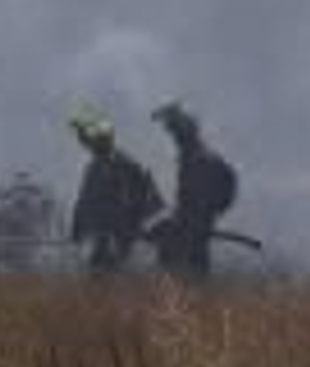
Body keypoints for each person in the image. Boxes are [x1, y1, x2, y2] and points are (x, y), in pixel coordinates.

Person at [150, 102, 239, 279]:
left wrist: (178, 226)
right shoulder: (196, 158)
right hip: (194, 231)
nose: (172, 137)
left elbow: (195, 203)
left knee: (185, 281)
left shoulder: (197, 160)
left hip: (191, 235)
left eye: (174, 130)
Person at [69, 113, 163, 275]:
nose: (84, 142)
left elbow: (141, 201)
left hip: (117, 241)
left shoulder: (124, 165)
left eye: (87, 137)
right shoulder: (96, 167)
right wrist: (78, 227)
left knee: (110, 279)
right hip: (102, 240)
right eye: (83, 138)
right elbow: (84, 200)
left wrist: (125, 233)